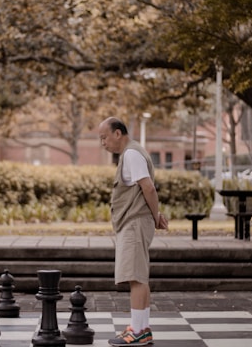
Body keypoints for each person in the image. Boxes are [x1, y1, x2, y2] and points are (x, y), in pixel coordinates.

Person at [98, 117, 168, 346]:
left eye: (104, 137)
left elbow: (148, 187)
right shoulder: (132, 153)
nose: (103, 143)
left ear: (118, 133)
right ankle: (142, 328)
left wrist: (156, 216)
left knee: (135, 277)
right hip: (136, 222)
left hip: (134, 222)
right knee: (139, 277)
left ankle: (138, 331)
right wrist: (154, 216)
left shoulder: (130, 154)